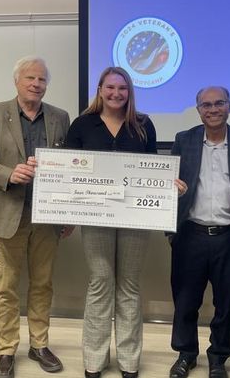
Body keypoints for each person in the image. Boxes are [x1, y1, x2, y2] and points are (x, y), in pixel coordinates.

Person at [0, 55, 71, 378]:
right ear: (17, 81)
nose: (36, 84)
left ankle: (39, 344)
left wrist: (68, 212)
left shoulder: (59, 117)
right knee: (6, 288)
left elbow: (70, 166)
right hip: (6, 216)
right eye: (30, 78)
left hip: (46, 217)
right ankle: (6, 349)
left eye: (42, 79)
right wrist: (9, 173)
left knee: (43, 285)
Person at [65, 66, 161, 378]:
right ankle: (94, 359)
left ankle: (129, 361)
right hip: (95, 217)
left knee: (130, 286)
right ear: (100, 89)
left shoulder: (144, 125)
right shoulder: (83, 124)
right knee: (100, 283)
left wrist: (167, 183)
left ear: (129, 91)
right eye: (110, 88)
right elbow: (69, 170)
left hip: (135, 218)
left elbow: (155, 168)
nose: (116, 94)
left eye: (122, 88)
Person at [168, 86, 230, 378]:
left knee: (225, 303)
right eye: (206, 105)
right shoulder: (184, 140)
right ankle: (186, 354)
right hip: (191, 234)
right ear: (197, 108)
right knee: (186, 300)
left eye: (219, 104)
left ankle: (218, 358)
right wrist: (172, 231)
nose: (213, 109)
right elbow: (169, 185)